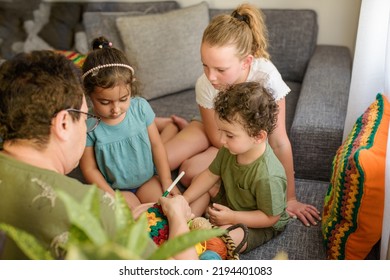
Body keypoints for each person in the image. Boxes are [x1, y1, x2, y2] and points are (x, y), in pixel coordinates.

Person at [0, 50, 196, 260]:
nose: (87, 126)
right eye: (85, 117)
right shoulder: (90, 209)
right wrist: (177, 216)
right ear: (64, 123)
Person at [164, 3, 320, 226]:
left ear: (246, 62)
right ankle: (174, 126)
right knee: (166, 158)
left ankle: (184, 128)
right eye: (205, 66)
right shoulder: (206, 83)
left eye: (220, 69)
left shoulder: (266, 77)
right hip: (220, 135)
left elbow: (278, 141)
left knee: (189, 171)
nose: (211, 77)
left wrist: (290, 198)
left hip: (233, 138)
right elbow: (217, 138)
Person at [183, 82, 290, 253]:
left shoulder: (269, 176)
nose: (222, 140)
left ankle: (202, 248)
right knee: (199, 184)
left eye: (230, 135)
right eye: (221, 131)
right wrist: (184, 199)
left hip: (259, 223)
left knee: (230, 238)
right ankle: (185, 223)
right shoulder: (229, 150)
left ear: (258, 136)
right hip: (230, 202)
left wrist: (233, 217)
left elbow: (270, 217)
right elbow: (210, 175)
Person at [80, 37, 181, 210]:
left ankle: (170, 125)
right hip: (118, 190)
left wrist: (166, 180)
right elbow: (89, 169)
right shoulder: (88, 126)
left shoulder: (140, 107)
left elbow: (156, 145)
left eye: (123, 99)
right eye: (105, 102)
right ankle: (169, 126)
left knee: (165, 211)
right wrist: (111, 196)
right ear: (89, 95)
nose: (116, 109)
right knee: (134, 220)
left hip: (148, 180)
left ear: (131, 87)